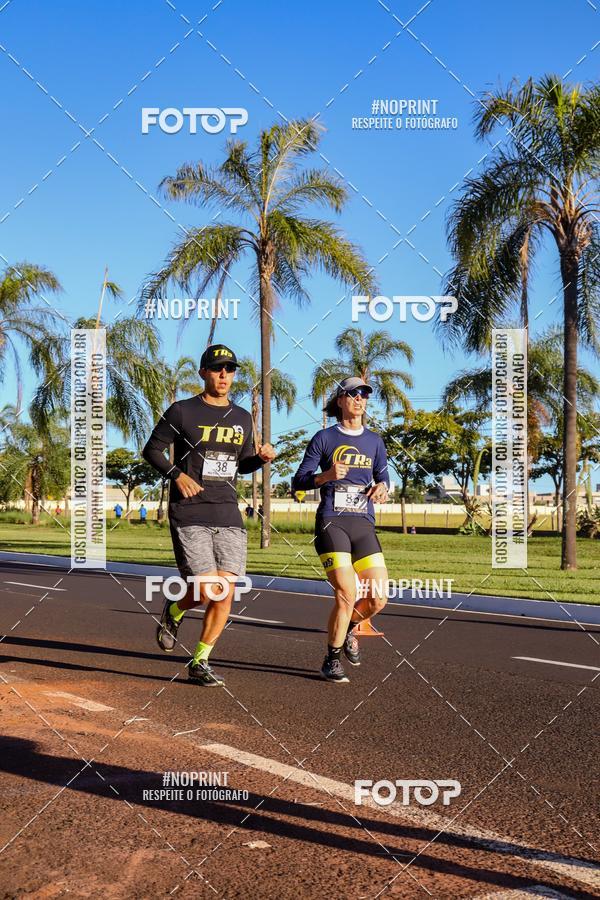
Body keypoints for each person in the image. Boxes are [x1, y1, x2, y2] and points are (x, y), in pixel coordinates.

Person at [142, 344, 276, 687]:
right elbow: (152, 450)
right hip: (190, 511)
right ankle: (175, 609)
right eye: (217, 368)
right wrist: (177, 475)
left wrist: (259, 459)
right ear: (203, 373)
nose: (224, 374)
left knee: (225, 591)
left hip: (227, 512)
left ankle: (200, 660)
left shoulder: (242, 417)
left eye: (229, 369)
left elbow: (240, 465)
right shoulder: (182, 411)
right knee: (207, 590)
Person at [292, 377, 389, 684]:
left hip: (363, 524)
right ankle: (331, 660)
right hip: (332, 522)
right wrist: (327, 475)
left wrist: (383, 489)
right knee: (347, 593)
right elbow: (299, 481)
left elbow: (383, 478)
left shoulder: (375, 441)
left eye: (364, 394)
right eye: (353, 393)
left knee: (378, 598)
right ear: (340, 400)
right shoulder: (324, 438)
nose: (360, 399)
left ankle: (346, 630)